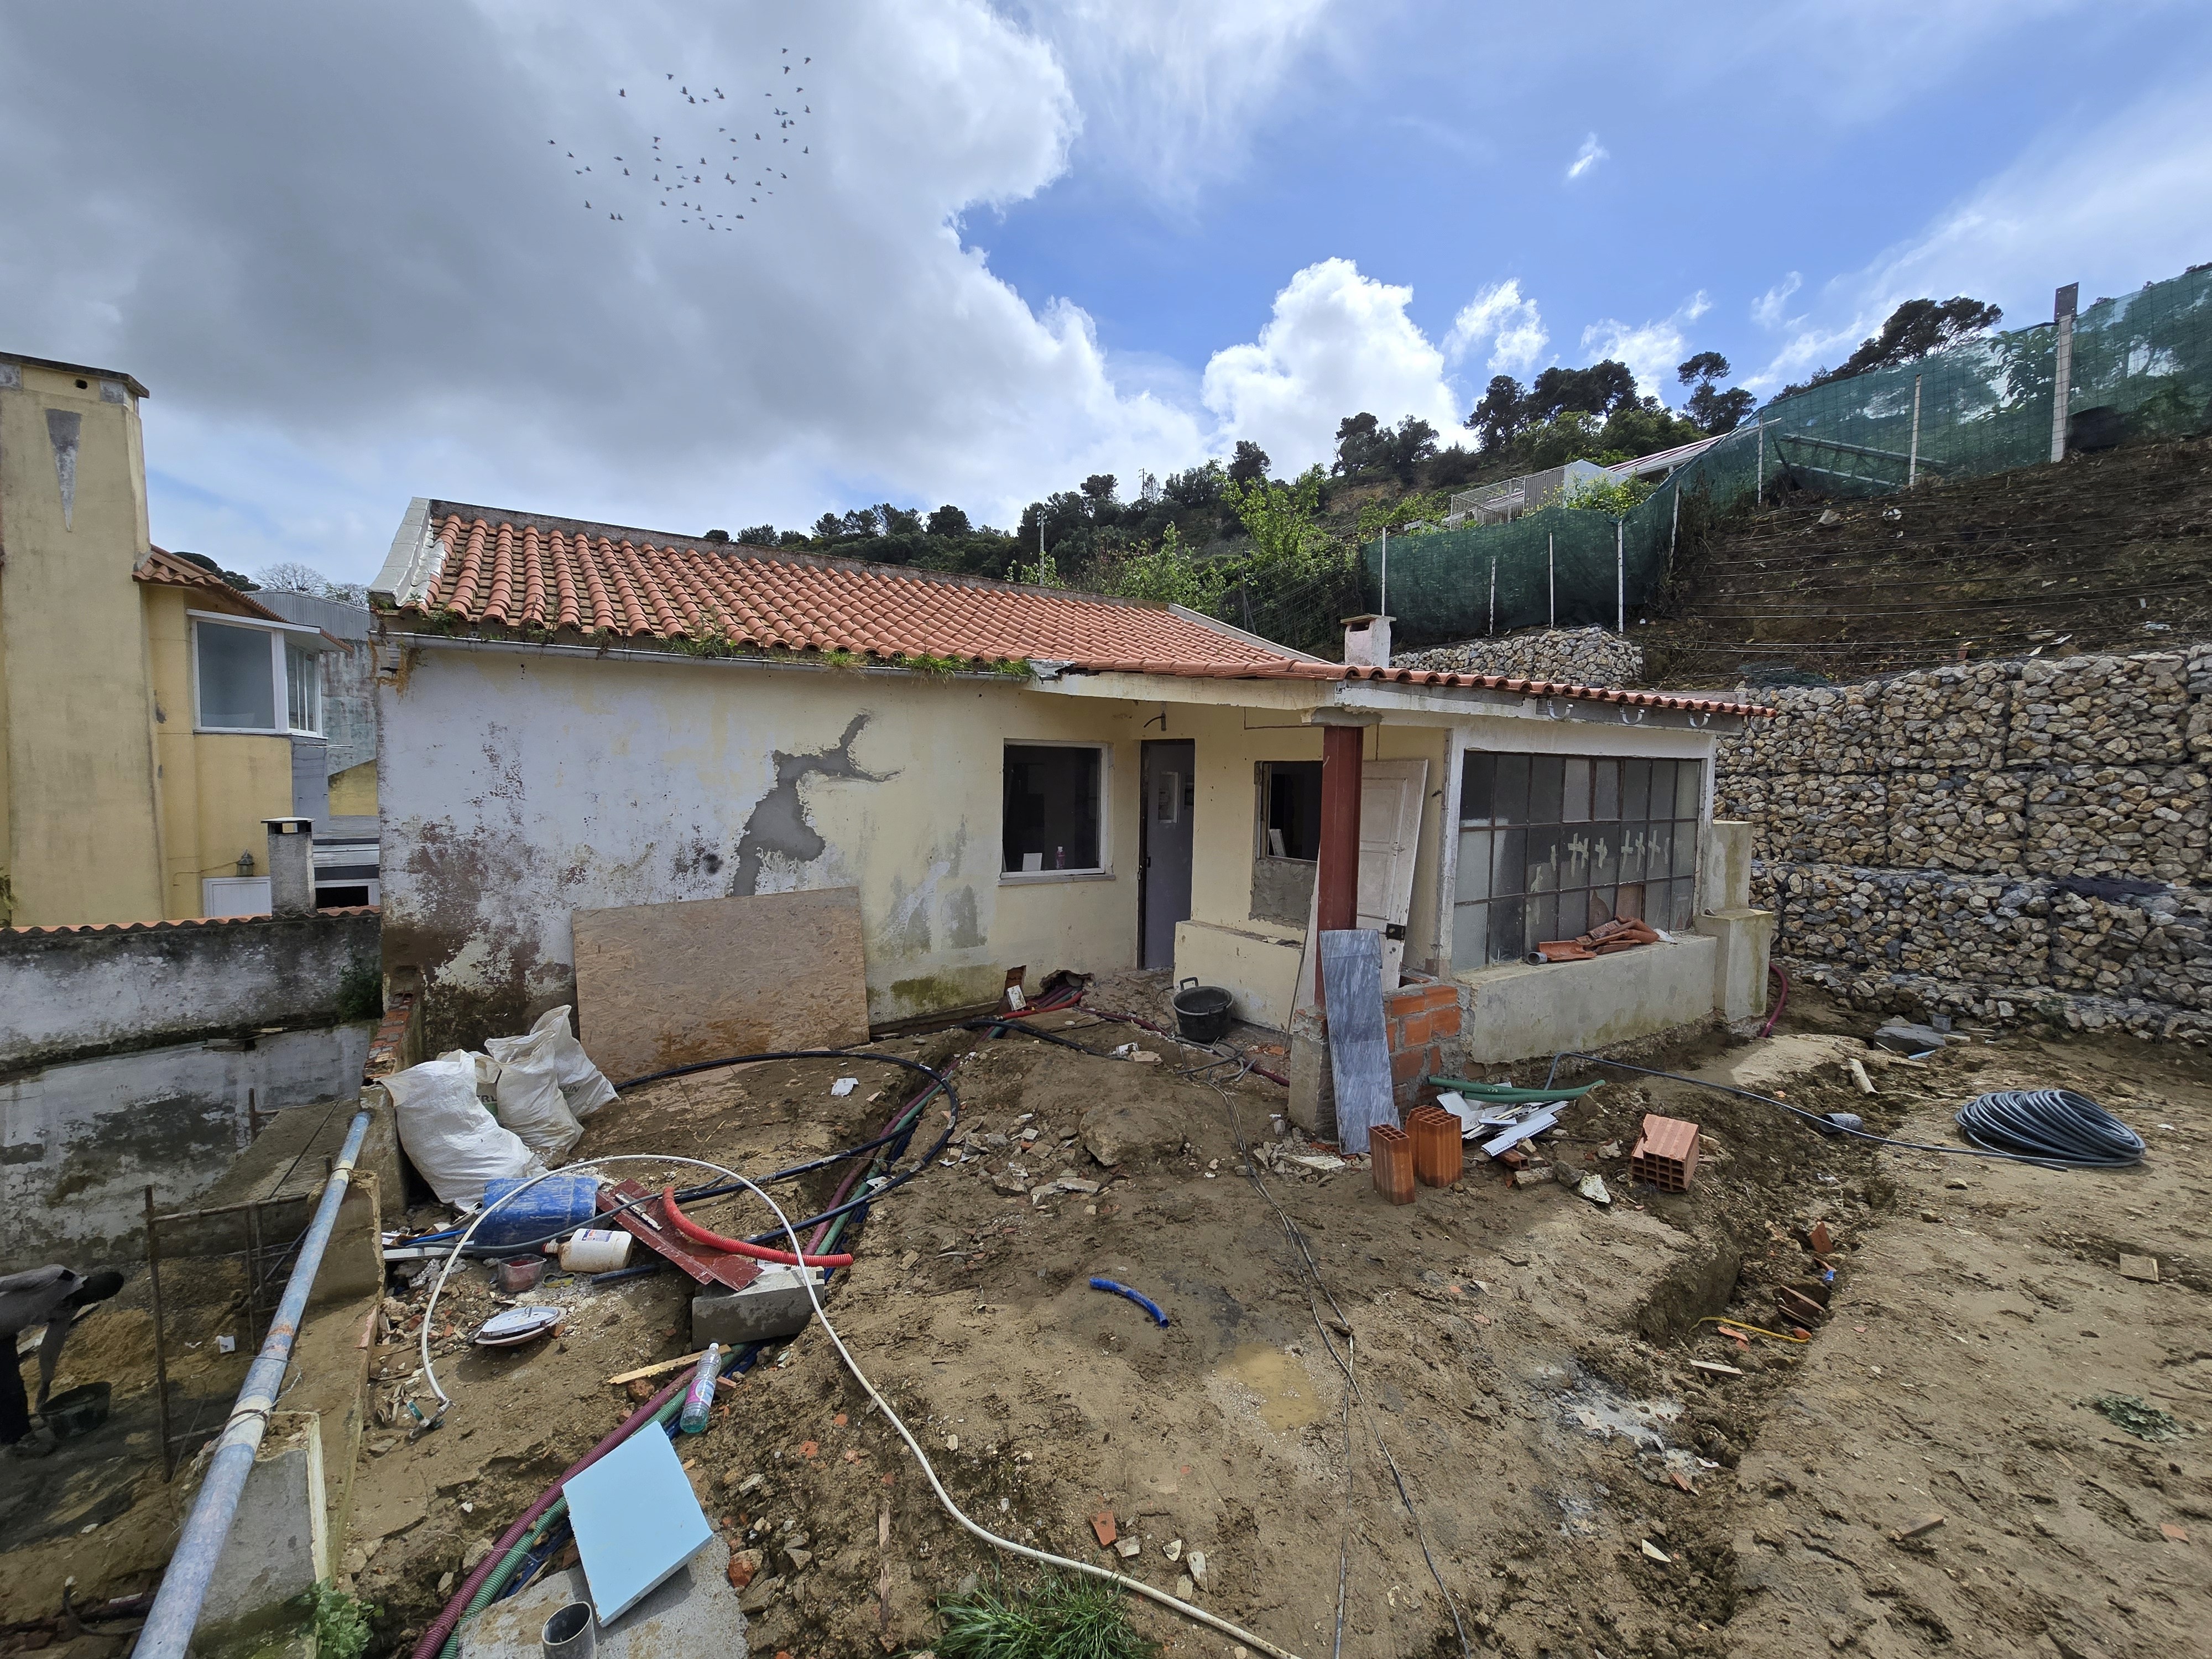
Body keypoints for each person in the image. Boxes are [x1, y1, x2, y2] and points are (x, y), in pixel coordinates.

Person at [1, 1266, 125, 1457]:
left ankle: (13, 1431)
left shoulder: (68, 1307)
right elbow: (6, 1282)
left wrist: (46, 1381)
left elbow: (52, 1344)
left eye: (98, 1299)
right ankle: (20, 1441)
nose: (93, 1301)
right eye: (96, 1295)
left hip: (4, 1335)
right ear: (91, 1282)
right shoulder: (58, 1277)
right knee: (10, 1387)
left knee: (10, 1386)